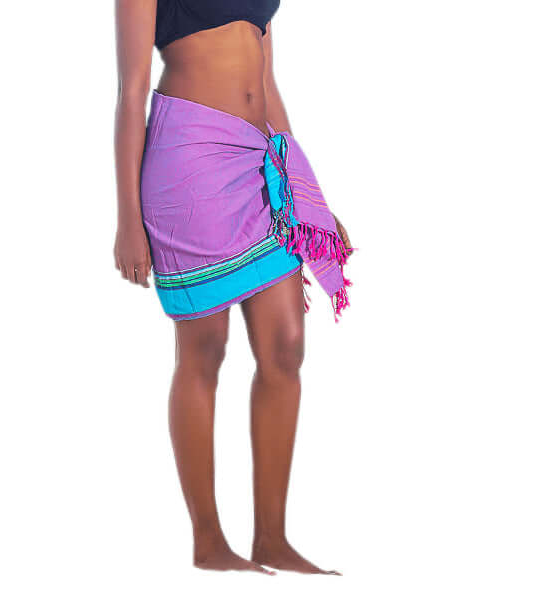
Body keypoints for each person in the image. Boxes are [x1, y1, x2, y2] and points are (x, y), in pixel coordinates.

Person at [113, 0, 352, 574]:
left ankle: (272, 538)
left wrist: (308, 191)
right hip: (189, 158)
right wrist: (127, 221)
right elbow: (132, 91)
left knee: (286, 346)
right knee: (204, 349)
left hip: (258, 159)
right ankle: (209, 542)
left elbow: (266, 81)